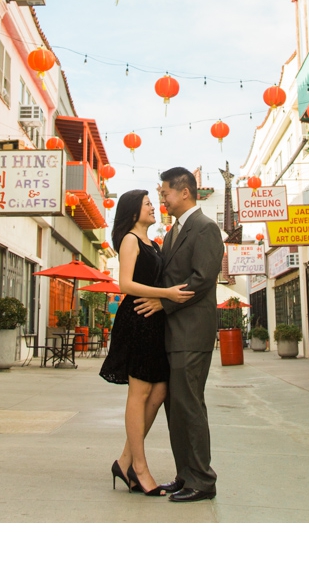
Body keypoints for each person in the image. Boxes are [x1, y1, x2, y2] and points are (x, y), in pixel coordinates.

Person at [134, 167, 223, 502]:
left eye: (166, 193)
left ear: (185, 192)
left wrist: (162, 302)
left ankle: (203, 480)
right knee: (176, 407)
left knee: (190, 406)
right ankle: (186, 475)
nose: (163, 200)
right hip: (174, 335)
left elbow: (201, 280)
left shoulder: (205, 228)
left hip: (192, 333)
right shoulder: (173, 232)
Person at [100, 189, 193, 495]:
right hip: (137, 318)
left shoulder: (153, 243)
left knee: (159, 390)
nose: (155, 207)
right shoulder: (129, 239)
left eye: (153, 203)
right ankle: (139, 468)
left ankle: (125, 460)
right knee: (139, 393)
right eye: (148, 204)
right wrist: (166, 295)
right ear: (132, 211)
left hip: (153, 319)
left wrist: (162, 300)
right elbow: (124, 284)